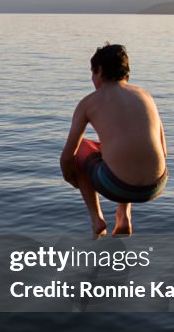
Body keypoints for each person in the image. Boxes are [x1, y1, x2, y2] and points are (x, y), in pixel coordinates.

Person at [60, 42, 167, 236]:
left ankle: (97, 220)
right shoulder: (146, 96)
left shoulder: (89, 102)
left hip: (117, 186)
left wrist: (72, 176)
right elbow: (163, 150)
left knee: (83, 147)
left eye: (92, 73)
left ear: (99, 70)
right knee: (115, 148)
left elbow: (68, 157)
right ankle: (124, 214)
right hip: (157, 185)